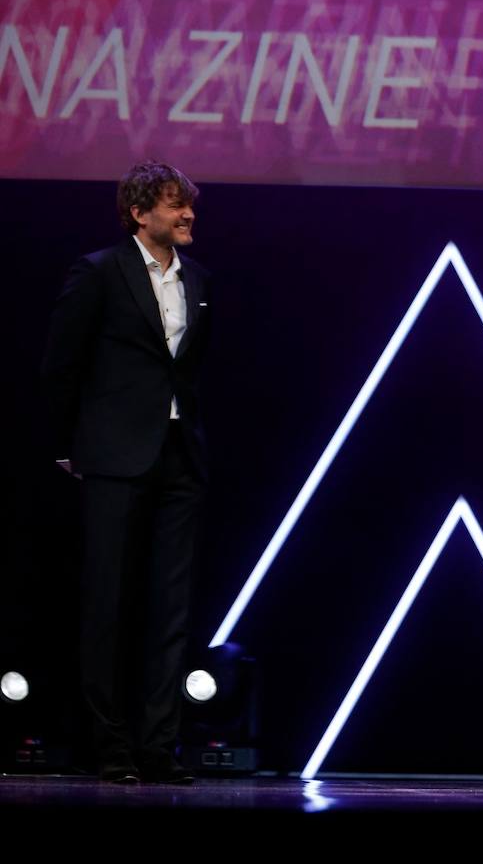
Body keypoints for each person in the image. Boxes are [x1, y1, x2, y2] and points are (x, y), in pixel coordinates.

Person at [40, 160, 212, 784]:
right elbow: (63, 362)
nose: (187, 213)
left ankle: (157, 746)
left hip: (178, 457)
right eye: (173, 204)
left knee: (169, 608)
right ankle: (108, 746)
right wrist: (66, 444)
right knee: (107, 603)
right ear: (140, 213)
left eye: (187, 203)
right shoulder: (98, 272)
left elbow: (190, 371)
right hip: (113, 454)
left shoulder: (198, 280)